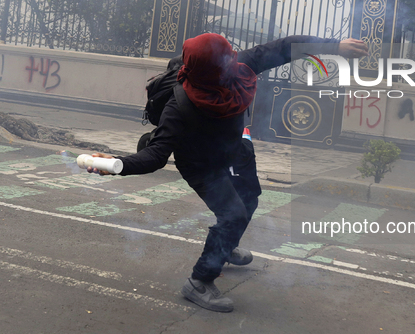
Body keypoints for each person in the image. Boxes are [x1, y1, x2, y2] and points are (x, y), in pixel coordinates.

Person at [88, 33, 368, 312]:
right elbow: (155, 156)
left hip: (234, 150)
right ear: (211, 68)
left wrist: (335, 46)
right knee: (233, 215)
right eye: (225, 56)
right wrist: (116, 164)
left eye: (230, 52)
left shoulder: (239, 67)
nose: (233, 57)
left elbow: (284, 47)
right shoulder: (179, 104)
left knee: (250, 201)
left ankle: (225, 246)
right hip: (201, 164)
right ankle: (199, 281)